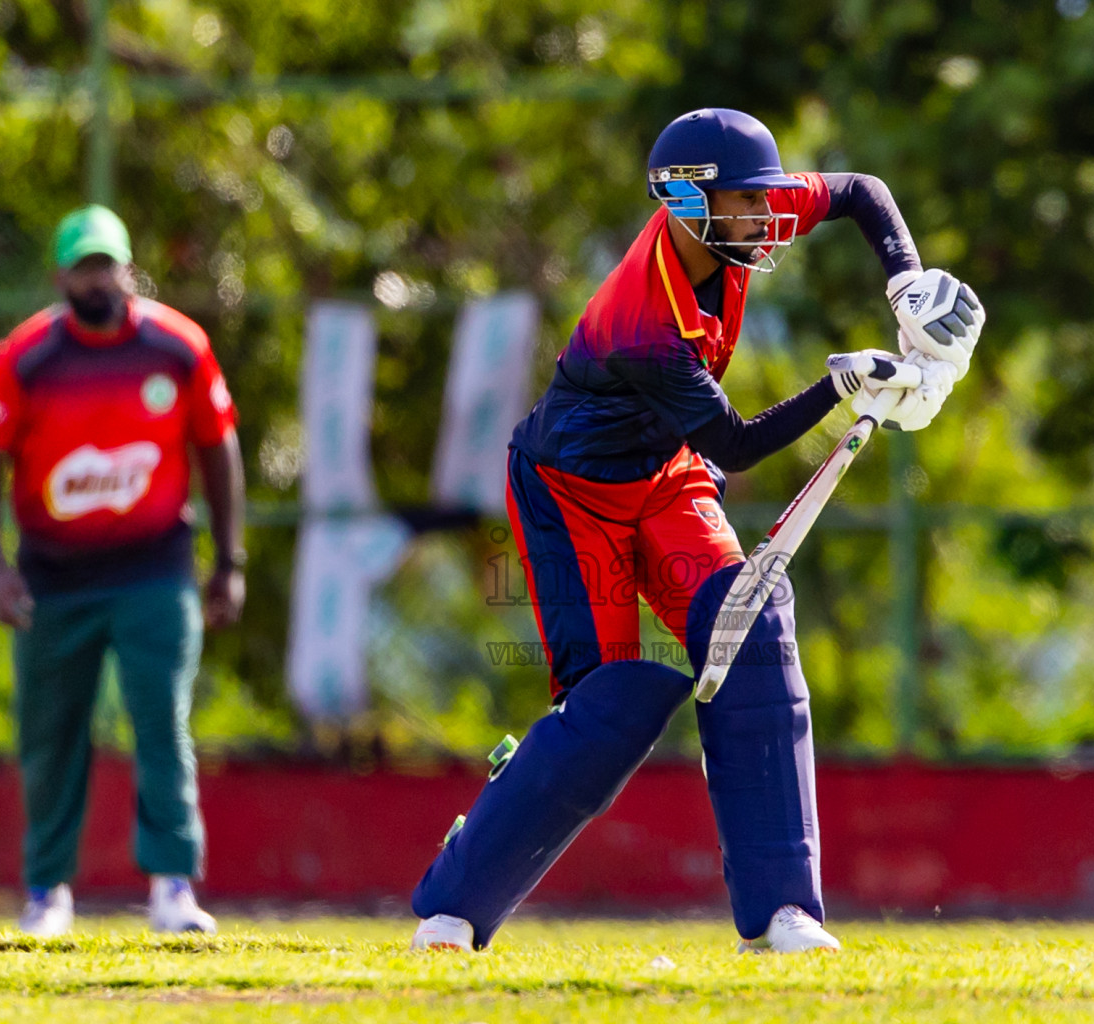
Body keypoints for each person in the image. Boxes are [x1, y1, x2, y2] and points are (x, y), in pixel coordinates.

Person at [409, 108, 983, 953]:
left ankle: (784, 913)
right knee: (603, 714)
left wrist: (907, 281)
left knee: (754, 627)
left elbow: (864, 191)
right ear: (687, 202)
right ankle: (452, 908)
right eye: (750, 205)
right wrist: (849, 386)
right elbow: (736, 444)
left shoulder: (733, 212)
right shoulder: (645, 323)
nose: (770, 217)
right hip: (570, 496)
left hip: (668, 479)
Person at [0, 205, 247, 936]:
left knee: (161, 720)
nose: (97, 278)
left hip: (156, 567)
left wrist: (230, 561)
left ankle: (173, 887)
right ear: (60, 275)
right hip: (55, 576)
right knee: (50, 735)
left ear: (128, 266)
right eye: (83, 265)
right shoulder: (25, 357)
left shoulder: (177, 346)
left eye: (107, 263)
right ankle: (47, 892)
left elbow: (219, 449)